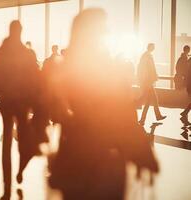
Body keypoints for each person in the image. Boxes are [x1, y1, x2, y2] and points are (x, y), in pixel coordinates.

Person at [47, 9, 159, 199]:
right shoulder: (105, 68)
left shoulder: (67, 66)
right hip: (106, 157)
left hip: (75, 156)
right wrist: (142, 152)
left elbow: (52, 106)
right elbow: (121, 111)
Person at [0, 21, 48, 199]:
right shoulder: (27, 54)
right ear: (20, 32)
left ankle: (7, 186)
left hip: (6, 101)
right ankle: (20, 170)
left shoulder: (0, 52)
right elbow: (36, 80)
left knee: (6, 141)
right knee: (22, 138)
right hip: (22, 102)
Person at [137, 43, 166, 125]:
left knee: (149, 101)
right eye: (153, 47)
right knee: (151, 100)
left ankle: (144, 119)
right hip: (147, 82)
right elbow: (148, 69)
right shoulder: (147, 56)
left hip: (147, 81)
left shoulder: (146, 55)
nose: (154, 48)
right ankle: (155, 116)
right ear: (150, 47)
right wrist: (149, 80)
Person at [180, 45, 191, 116]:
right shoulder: (186, 59)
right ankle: (185, 112)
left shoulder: (187, 60)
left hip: (188, 83)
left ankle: (185, 112)